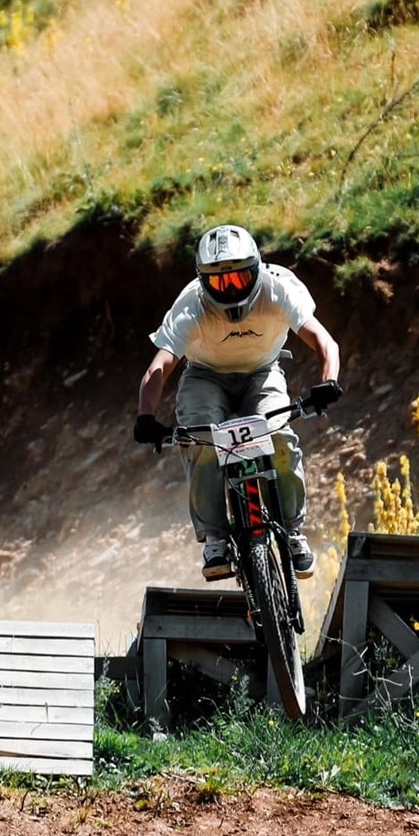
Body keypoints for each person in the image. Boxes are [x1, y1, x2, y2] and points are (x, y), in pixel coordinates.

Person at [133, 224, 342, 582]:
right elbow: (160, 367)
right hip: (204, 377)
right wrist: (146, 415)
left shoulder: (278, 288)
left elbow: (325, 342)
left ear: (257, 268)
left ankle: (292, 531)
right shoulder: (191, 304)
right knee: (202, 444)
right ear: (202, 282)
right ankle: (215, 537)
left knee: (278, 436)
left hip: (262, 372)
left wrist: (328, 381)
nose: (229, 289)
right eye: (218, 283)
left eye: (238, 278)